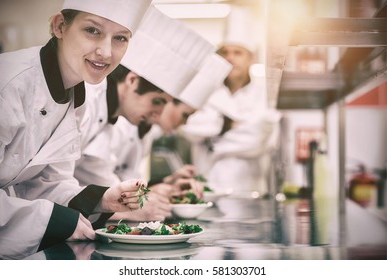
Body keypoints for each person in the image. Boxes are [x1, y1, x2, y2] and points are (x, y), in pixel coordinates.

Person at [0, 0, 152, 259]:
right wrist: (52, 219)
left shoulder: (75, 98)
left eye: (120, 38)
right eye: (92, 31)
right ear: (59, 26)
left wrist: (101, 198)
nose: (106, 52)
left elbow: (44, 182)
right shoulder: (7, 84)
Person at [73, 6, 216, 222]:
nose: (158, 115)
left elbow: (108, 181)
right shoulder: (87, 103)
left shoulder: (112, 115)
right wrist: (140, 203)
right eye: (157, 102)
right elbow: (67, 183)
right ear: (132, 81)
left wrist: (161, 188)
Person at [181, 7, 281, 207]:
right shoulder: (204, 90)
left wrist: (213, 142)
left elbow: (259, 139)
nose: (230, 57)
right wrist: (231, 124)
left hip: (251, 193)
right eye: (225, 52)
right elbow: (189, 127)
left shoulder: (265, 94)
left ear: (250, 58)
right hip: (206, 192)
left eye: (238, 52)